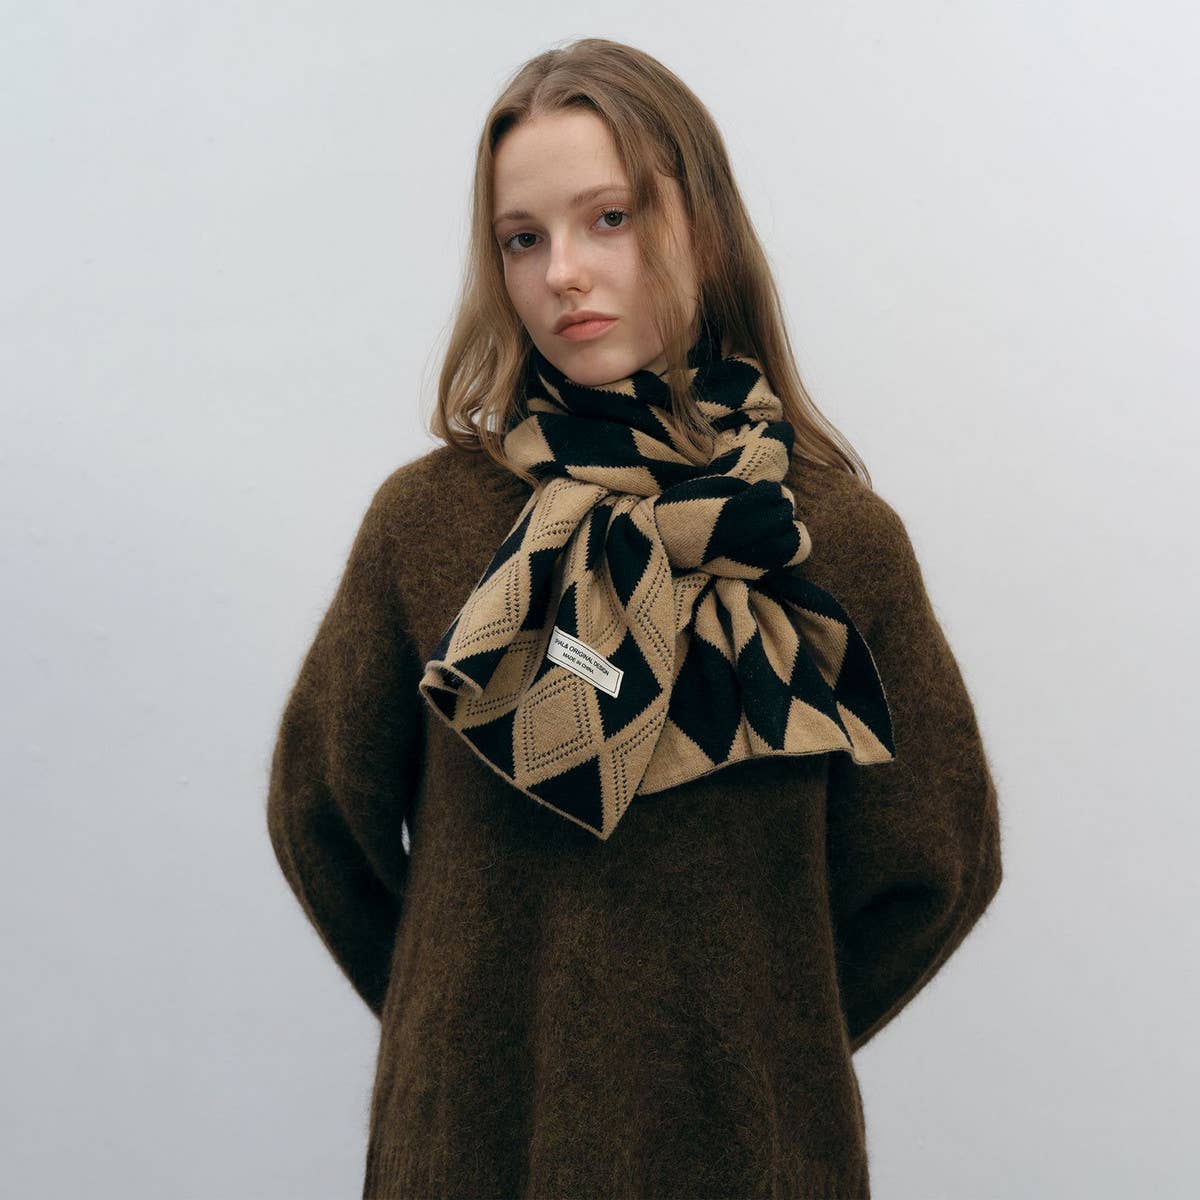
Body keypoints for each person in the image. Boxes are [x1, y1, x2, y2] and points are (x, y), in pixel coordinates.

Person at [266, 36, 1003, 1200]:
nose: (563, 271)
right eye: (523, 238)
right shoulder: (428, 524)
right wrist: (453, 1034)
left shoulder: (832, 540)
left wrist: (758, 1058)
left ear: (703, 226)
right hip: (472, 1157)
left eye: (608, 218)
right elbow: (321, 816)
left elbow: (934, 864)